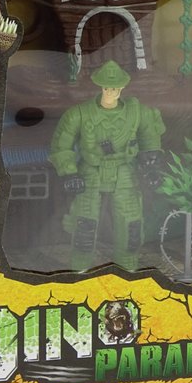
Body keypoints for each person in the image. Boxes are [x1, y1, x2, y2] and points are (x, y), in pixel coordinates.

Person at [50, 60, 165, 271]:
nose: (111, 92)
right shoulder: (79, 114)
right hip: (91, 171)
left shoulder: (137, 112)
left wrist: (151, 168)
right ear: (101, 87)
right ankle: (80, 268)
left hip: (124, 170)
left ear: (122, 88)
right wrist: (69, 173)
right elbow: (61, 145)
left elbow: (150, 138)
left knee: (130, 225)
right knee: (84, 226)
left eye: (115, 88)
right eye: (107, 88)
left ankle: (127, 266)